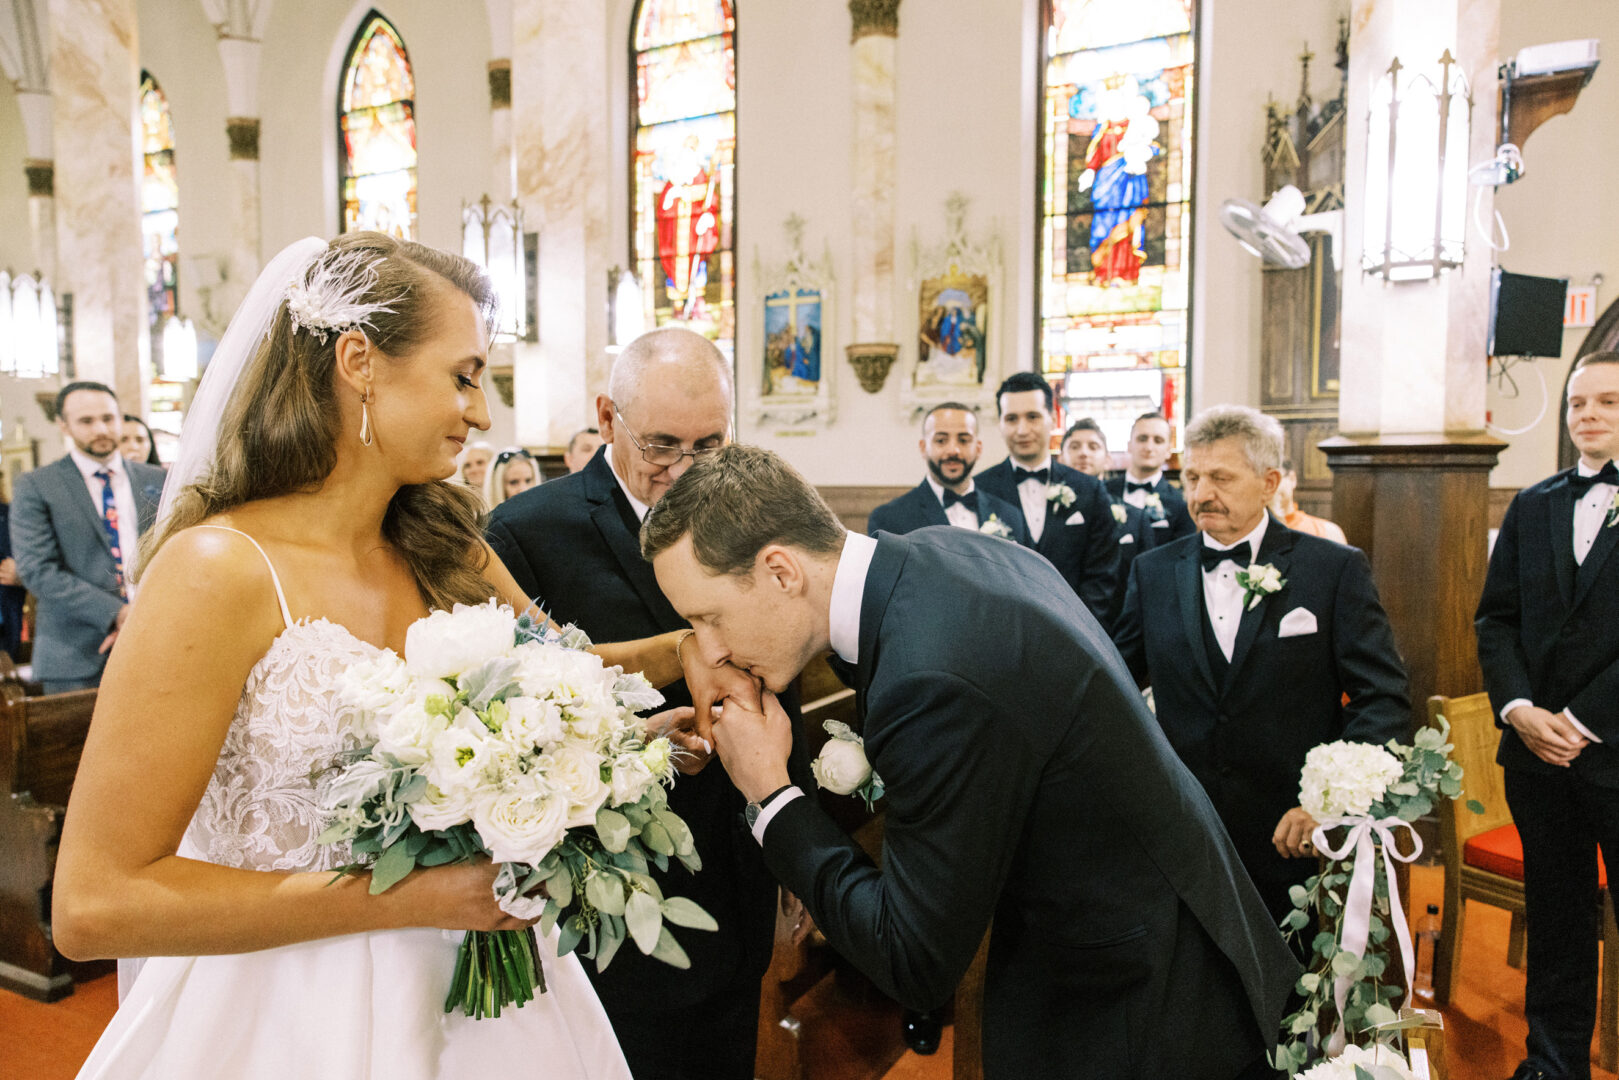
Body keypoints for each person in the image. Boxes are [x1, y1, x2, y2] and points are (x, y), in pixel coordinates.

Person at [50, 233, 719, 1079]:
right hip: (289, 1011)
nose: (481, 413)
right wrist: (410, 894)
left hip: (487, 1004)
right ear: (360, 361)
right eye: (464, 375)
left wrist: (660, 681)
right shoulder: (218, 571)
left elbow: (571, 676)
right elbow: (94, 903)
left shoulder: (446, 545)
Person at [642, 445, 1299, 1080]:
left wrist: (771, 794)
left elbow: (913, 960)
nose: (711, 650)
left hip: (1142, 1013)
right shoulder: (943, 553)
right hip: (1179, 933)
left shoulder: (932, 676)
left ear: (782, 571)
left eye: (709, 618)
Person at [486, 326, 807, 1080]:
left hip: (735, 878)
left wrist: (796, 857)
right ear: (606, 418)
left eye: (711, 444)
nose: (688, 470)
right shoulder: (527, 533)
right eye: (663, 446)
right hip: (609, 904)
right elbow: (512, 721)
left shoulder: (756, 523)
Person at [1113, 406, 1409, 924]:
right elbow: (1116, 684)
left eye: (1221, 478)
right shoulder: (1152, 571)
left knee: (1287, 987)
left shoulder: (1332, 570)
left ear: (1269, 482)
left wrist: (1328, 802)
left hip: (1290, 830)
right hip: (1184, 825)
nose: (1202, 494)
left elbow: (1380, 697)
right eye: (1193, 477)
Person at [1477, 351, 1619, 1080]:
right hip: (1535, 752)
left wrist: (1583, 721)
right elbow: (1494, 620)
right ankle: (1551, 1063)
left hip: (1614, 748)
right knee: (1557, 920)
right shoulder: (1532, 503)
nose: (1586, 415)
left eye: (1607, 402)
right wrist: (1519, 708)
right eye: (1576, 403)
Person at [10, 382, 167, 692]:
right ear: (63, 425)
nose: (100, 429)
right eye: (86, 421)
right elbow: (37, 569)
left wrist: (147, 614)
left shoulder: (158, 480)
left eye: (108, 418)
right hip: (74, 655)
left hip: (157, 642)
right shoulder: (37, 486)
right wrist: (118, 614)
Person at [975, 371, 1119, 629]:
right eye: (1011, 419)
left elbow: (1102, 577)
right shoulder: (979, 489)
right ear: (1000, 424)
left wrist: (1077, 632)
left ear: (1052, 419)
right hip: (1000, 636)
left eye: (1032, 417)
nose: (1022, 429)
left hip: (1074, 635)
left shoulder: (1089, 490)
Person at [867, 402, 1029, 544]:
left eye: (964, 440)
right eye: (941, 440)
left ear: (978, 448)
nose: (953, 450)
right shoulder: (889, 519)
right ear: (923, 447)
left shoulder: (1009, 515)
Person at [1061, 418, 1155, 629]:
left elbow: (1146, 588)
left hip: (1119, 629)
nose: (1083, 453)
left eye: (1093, 447)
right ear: (1061, 458)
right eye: (1074, 446)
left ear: (1108, 460)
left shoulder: (1136, 519)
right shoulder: (1045, 519)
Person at [1107, 411, 1195, 542]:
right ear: (1129, 445)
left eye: (1158, 441)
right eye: (1142, 439)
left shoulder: (1181, 503)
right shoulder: (1104, 492)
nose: (1149, 447)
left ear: (1168, 451)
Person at [1272, 458, 1347, 543]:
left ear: (1292, 479)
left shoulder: (1327, 532)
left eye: (1275, 479)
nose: (1268, 487)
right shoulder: (1255, 533)